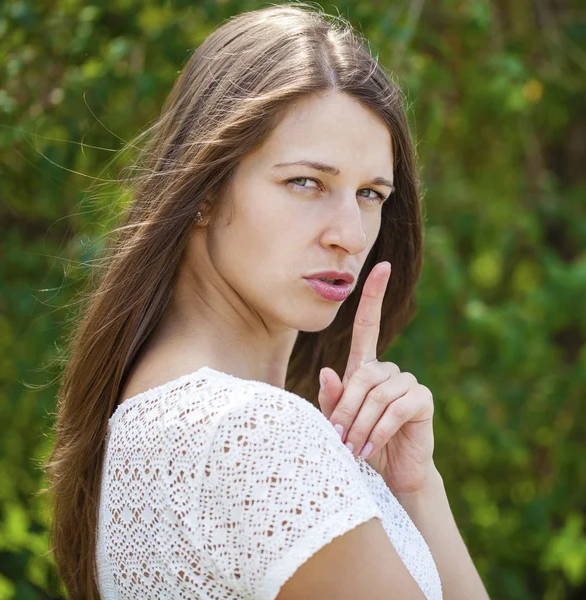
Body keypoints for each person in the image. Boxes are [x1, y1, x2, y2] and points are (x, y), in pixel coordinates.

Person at [44, 3, 491, 599]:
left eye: (369, 193)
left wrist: (415, 488)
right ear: (204, 188)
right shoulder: (251, 434)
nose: (350, 235)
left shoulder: (157, 419)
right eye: (305, 182)